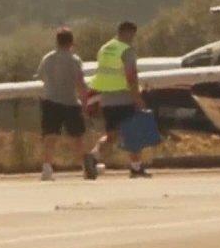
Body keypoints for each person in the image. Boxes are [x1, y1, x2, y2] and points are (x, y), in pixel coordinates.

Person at [89, 21, 151, 178]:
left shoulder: (105, 48)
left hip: (108, 99)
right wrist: (137, 98)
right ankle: (136, 167)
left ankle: (94, 156)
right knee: (133, 133)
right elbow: (131, 76)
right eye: (132, 35)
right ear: (127, 32)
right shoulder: (126, 50)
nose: (132, 38)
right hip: (124, 98)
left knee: (111, 135)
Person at [36, 27, 95, 180]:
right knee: (77, 137)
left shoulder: (47, 58)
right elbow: (80, 83)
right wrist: (85, 103)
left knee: (50, 136)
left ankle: (47, 169)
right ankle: (85, 167)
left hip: (50, 101)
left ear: (57, 41)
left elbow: (41, 77)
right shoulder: (74, 60)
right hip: (70, 102)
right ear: (71, 42)